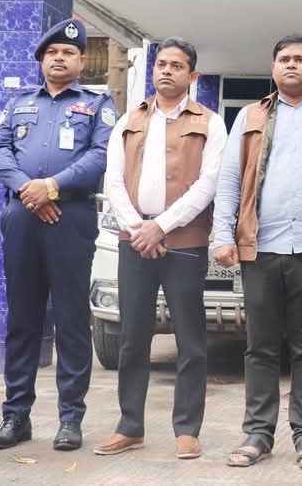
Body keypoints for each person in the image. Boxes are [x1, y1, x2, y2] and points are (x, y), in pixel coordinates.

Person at [212, 35, 302, 470]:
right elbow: (230, 178)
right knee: (261, 346)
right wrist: (222, 235)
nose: (291, 64)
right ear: (273, 68)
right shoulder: (249, 116)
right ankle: (258, 432)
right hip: (260, 248)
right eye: (284, 59)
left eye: (299, 59)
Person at [0, 18, 116, 451]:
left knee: (71, 320)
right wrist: (31, 190)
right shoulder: (19, 102)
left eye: (69, 53)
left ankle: (70, 419)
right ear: (42, 60)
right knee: (22, 320)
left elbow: (101, 154)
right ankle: (15, 416)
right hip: (22, 216)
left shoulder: (98, 104)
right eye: (52, 52)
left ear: (82, 61)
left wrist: (53, 187)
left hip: (70, 217)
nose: (60, 58)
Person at [94, 38, 227, 460]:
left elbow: (209, 184)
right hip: (135, 239)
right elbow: (113, 180)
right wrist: (139, 228)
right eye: (161, 64)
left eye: (177, 65)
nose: (166, 70)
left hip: (185, 241)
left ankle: (187, 429)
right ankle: (129, 426)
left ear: (192, 75)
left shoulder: (210, 122)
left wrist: (162, 226)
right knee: (132, 337)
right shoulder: (129, 120)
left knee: (191, 338)